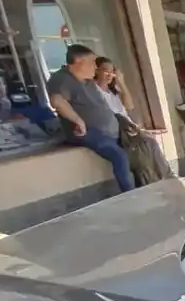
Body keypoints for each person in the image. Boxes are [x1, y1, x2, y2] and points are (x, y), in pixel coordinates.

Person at [47, 44, 135, 192]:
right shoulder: (62, 79)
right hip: (89, 132)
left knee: (141, 150)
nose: (95, 66)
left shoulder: (88, 80)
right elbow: (57, 101)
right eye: (92, 62)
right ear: (79, 61)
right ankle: (132, 194)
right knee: (119, 156)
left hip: (111, 131)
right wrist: (78, 120)